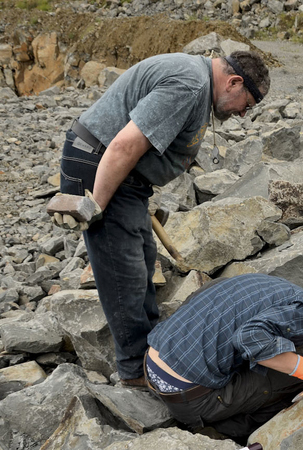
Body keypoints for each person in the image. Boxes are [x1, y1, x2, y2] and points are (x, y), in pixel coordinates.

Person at [50, 51, 270, 387]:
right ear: (234, 82)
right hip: (99, 165)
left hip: (124, 179)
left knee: (143, 260)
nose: (243, 113)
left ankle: (153, 350)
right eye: (247, 104)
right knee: (124, 271)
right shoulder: (190, 86)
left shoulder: (198, 83)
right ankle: (135, 373)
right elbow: (124, 147)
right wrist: (96, 206)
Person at [144, 274, 303, 440]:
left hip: (152, 364)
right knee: (293, 377)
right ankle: (220, 431)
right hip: (188, 398)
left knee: (279, 359)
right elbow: (248, 338)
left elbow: (208, 290)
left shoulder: (275, 285)